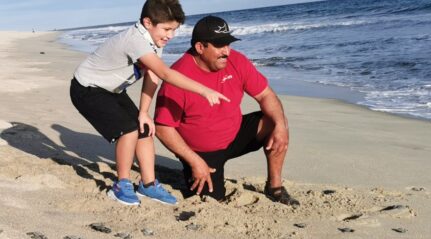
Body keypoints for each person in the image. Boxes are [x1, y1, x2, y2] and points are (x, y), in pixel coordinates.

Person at [70, 0, 229, 206]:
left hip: (113, 90)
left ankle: (148, 184)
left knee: (144, 129)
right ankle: (122, 184)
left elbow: (152, 76)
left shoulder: (155, 41)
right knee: (128, 131)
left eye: (174, 30)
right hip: (86, 89)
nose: (170, 35)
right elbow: (164, 73)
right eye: (166, 29)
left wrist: (144, 112)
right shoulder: (135, 39)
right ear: (147, 22)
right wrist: (203, 90)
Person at [154, 15, 299, 206]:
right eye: (219, 45)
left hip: (235, 134)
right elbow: (163, 127)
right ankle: (194, 170)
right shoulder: (178, 77)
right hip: (201, 152)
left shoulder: (236, 61)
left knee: (276, 122)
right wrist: (195, 161)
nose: (226, 51)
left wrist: (281, 126)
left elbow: (266, 95)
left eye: (228, 44)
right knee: (212, 201)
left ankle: (274, 187)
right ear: (200, 47)